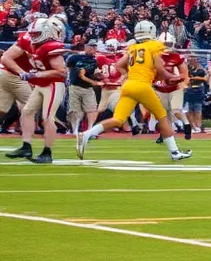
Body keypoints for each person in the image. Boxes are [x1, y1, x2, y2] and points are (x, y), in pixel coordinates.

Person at [76, 20, 191, 162]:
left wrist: (130, 75)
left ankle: (86, 134)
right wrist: (172, 77)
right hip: (142, 86)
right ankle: (174, 152)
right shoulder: (155, 46)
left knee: (118, 119)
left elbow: (119, 65)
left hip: (128, 86)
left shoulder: (133, 48)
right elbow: (160, 68)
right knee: (162, 116)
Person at [2, 17, 69, 163]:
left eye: (36, 34)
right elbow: (7, 57)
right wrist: (31, 75)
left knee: (47, 117)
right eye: (32, 34)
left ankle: (47, 152)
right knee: (26, 112)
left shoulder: (51, 46)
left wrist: (36, 74)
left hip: (53, 84)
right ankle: (26, 146)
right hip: (40, 83)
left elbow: (61, 72)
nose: (32, 36)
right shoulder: (31, 42)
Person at [66, 39, 102, 137]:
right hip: (75, 86)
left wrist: (99, 76)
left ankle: (90, 130)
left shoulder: (94, 61)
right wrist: (94, 82)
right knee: (75, 110)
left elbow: (91, 73)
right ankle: (75, 130)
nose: (92, 48)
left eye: (94, 47)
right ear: (85, 47)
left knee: (92, 109)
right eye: (90, 46)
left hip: (88, 88)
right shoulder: (75, 57)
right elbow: (80, 74)